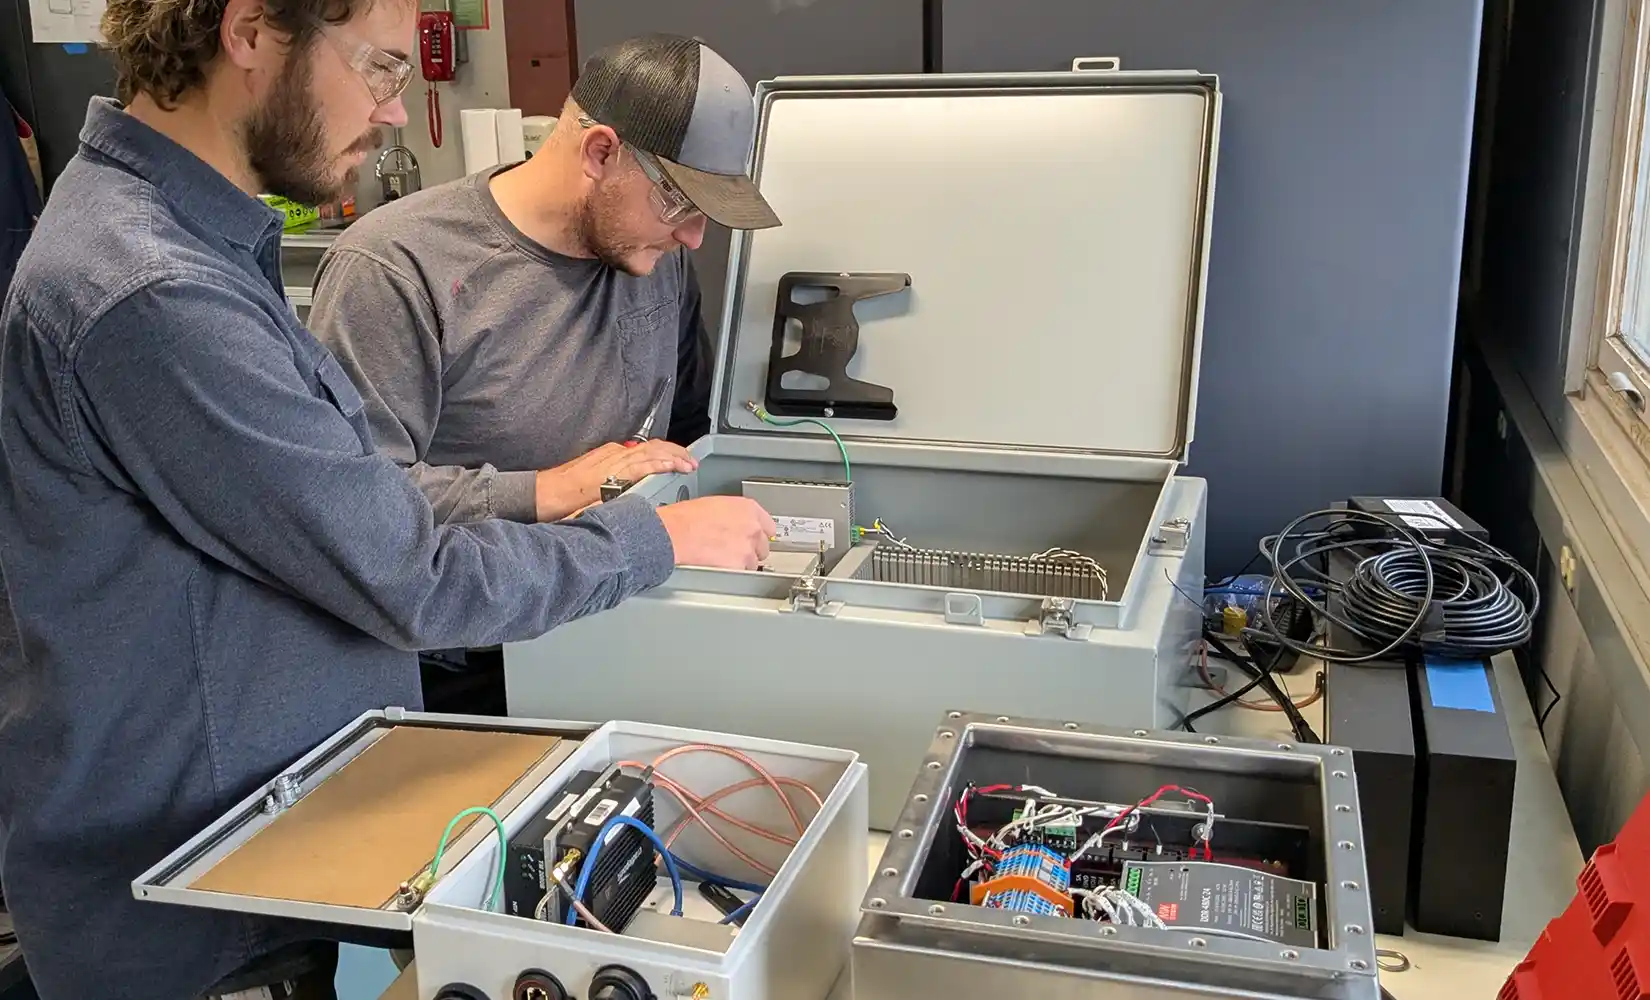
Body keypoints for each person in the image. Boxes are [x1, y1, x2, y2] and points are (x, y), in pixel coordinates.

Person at [0, 3, 776, 1000]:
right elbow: (404, 567)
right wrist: (647, 539)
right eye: (378, 69)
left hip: (270, 850)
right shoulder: (150, 290)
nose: (398, 115)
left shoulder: (190, 244)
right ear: (248, 32)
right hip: (195, 918)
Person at [307, 33, 782, 530]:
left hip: (633, 581)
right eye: (679, 202)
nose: (692, 238)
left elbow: (687, 426)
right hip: (486, 594)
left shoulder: (655, 255)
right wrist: (552, 489)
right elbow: (353, 503)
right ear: (600, 153)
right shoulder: (395, 267)